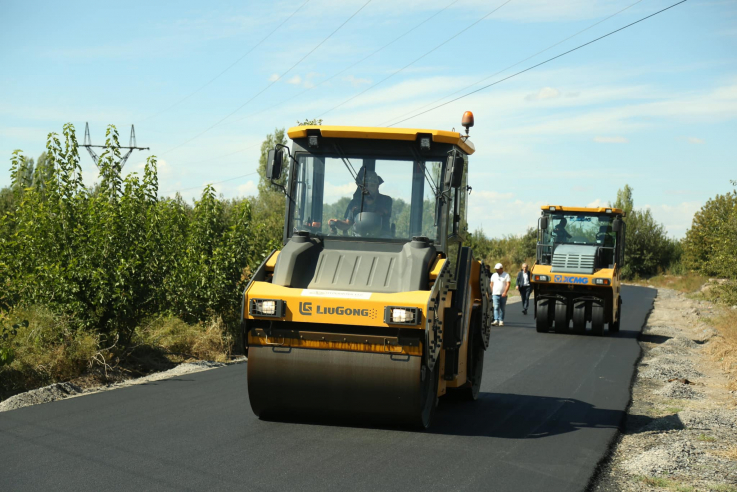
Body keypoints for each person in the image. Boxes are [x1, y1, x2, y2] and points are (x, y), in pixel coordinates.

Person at [328, 168, 392, 235]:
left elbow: (380, 212)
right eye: (366, 185)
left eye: (372, 185)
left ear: (377, 186)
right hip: (358, 240)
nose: (368, 188)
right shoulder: (354, 203)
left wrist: (364, 206)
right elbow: (347, 223)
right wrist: (337, 222)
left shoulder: (386, 200)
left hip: (383, 240)